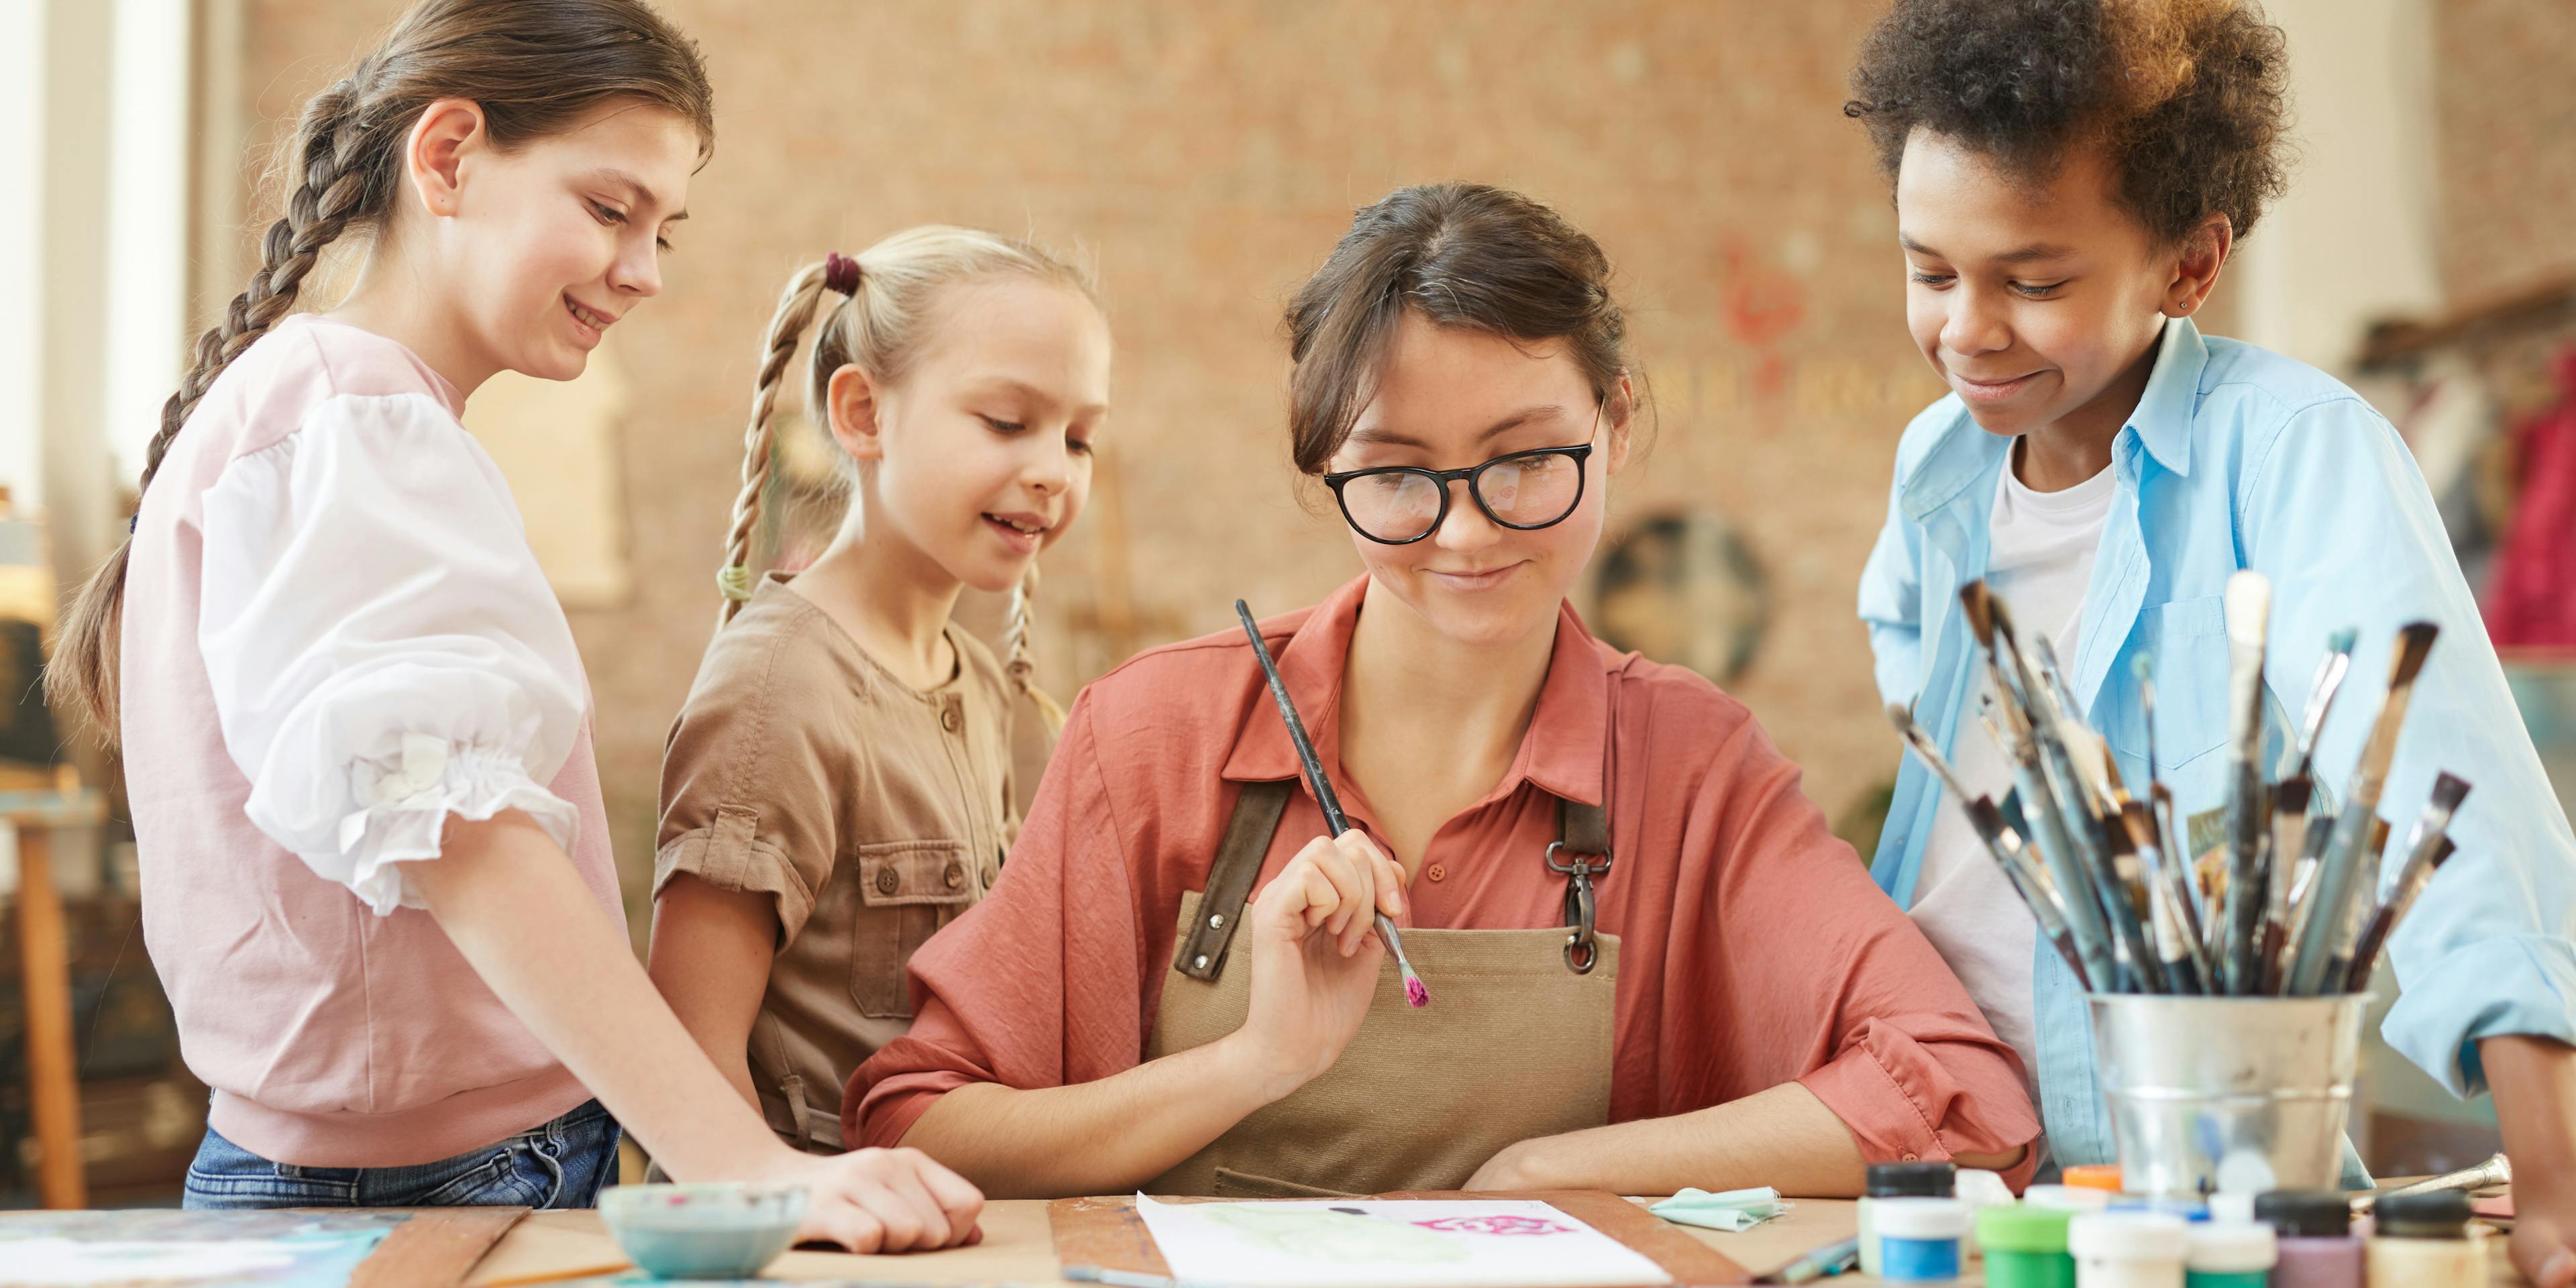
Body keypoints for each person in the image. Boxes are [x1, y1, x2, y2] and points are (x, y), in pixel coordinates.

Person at [850, 182, 2039, 1199]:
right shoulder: (1156, 736)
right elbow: (917, 1121)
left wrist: (1554, 1172)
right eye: (1399, 476)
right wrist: (1252, 1062)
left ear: (1615, 424)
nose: (1466, 533)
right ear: (1328, 467)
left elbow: (1965, 1100)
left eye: (1526, 461)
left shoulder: (1691, 764)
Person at [48, 0, 979, 1248]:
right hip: (436, 1184)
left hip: (404, 1166)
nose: (643, 270)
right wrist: (741, 1160)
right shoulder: (351, 419)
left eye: (662, 229)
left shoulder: (337, 411)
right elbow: (462, 835)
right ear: (447, 158)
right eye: (609, 209)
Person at [1847, 3, 2576, 1281]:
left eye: (2033, 281)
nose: (1967, 328)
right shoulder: (1934, 467)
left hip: (2174, 1179)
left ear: (2190, 264)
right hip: (1939, 1140)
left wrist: (2557, 1180)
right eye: (1929, 271)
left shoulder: (2292, 453)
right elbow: (1919, 699)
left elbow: (2445, 794)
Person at [649, 228, 1108, 1154]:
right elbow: (687, 1052)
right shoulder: (778, 690)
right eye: (1007, 422)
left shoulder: (977, 685)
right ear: (862, 414)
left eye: (1079, 437)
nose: (1054, 470)